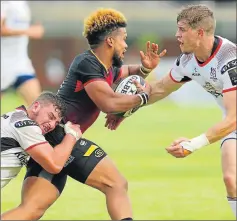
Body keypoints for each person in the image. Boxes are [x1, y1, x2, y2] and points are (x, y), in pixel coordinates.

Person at [1, 8, 166, 220]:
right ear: (110, 42)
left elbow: (126, 73)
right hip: (61, 134)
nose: (126, 45)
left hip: (50, 139)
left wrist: (144, 70)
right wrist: (142, 98)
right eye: (123, 39)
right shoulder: (88, 63)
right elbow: (108, 102)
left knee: (31, 210)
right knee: (116, 184)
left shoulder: (106, 67)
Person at [127, 4, 236, 218]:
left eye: (182, 30)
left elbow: (233, 118)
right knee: (231, 179)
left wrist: (192, 144)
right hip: (232, 121)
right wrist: (126, 107)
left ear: (200, 32)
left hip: (233, 119)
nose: (177, 35)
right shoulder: (187, 60)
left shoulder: (229, 61)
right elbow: (158, 89)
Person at [1, 91, 82, 189]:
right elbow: (54, 164)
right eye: (50, 116)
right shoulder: (26, 126)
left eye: (56, 123)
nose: (51, 125)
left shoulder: (15, 117)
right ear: (36, 107)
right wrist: (72, 135)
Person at [1, 1, 44, 105]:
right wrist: (28, 31)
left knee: (38, 107)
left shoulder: (22, 4)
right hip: (2, 63)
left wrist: (35, 30)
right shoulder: (4, 4)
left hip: (20, 63)